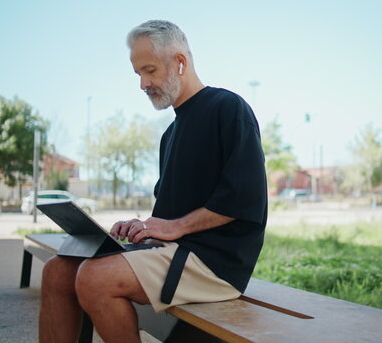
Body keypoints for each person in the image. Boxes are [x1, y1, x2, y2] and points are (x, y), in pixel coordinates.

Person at [38, 20, 268, 343]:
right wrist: (142, 226)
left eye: (150, 71)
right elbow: (168, 216)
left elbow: (245, 200)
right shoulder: (170, 134)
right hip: (174, 250)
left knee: (94, 279)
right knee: (57, 272)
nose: (143, 84)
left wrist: (174, 228)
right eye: (138, 74)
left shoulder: (228, 109)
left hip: (216, 264)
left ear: (180, 62)